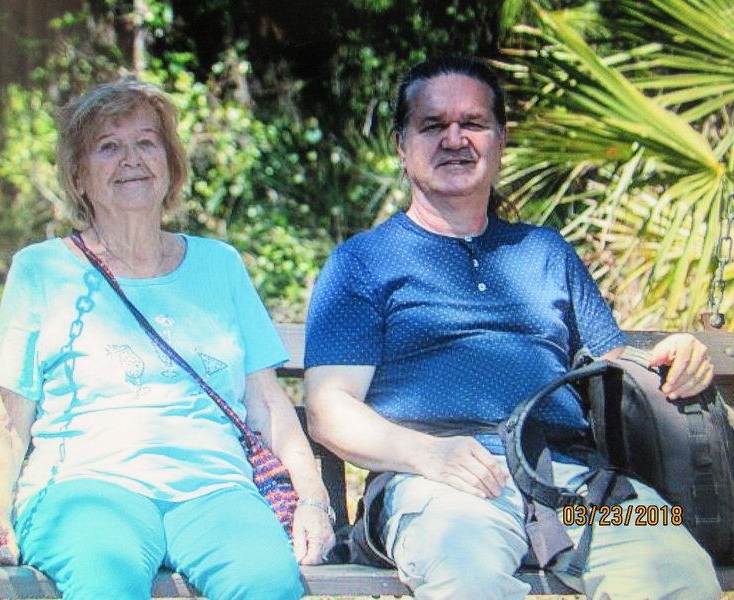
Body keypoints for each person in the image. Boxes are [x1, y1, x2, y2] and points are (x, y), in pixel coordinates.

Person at [304, 56, 721, 600]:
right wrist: (426, 453)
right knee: (466, 574)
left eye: (473, 123)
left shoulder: (544, 251)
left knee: (678, 564)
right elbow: (328, 408)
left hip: (575, 484)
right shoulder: (364, 261)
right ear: (402, 146)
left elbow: (612, 367)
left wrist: (674, 358)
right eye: (433, 125)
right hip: (438, 487)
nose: (455, 139)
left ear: (500, 140)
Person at [0, 78, 335, 600]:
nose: (131, 160)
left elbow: (268, 403)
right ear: (78, 176)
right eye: (108, 147)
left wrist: (312, 500)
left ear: (170, 165)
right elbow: (7, 419)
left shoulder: (219, 265)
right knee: (106, 578)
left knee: (268, 582)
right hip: (87, 488)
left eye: (146, 142)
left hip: (215, 490)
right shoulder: (41, 270)